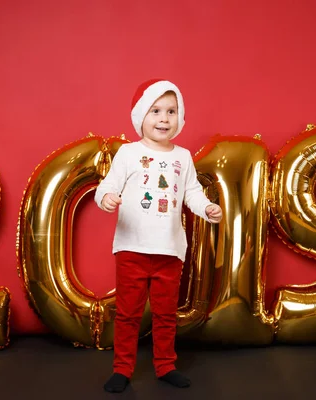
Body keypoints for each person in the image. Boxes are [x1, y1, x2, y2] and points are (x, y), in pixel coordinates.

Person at [95, 79, 223, 393]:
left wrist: (206, 207)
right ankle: (122, 369)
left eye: (171, 111)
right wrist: (107, 198)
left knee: (166, 315)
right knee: (128, 314)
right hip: (132, 248)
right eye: (155, 111)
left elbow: (191, 192)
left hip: (169, 250)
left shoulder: (183, 157)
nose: (163, 118)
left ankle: (165, 365)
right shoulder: (128, 153)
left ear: (180, 118)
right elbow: (107, 186)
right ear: (141, 115)